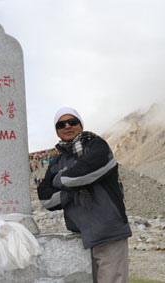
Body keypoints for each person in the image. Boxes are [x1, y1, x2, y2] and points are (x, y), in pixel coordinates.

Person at [37, 107, 132, 283]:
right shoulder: (57, 160)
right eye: (61, 124)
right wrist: (69, 195)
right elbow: (45, 198)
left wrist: (60, 179)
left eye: (72, 122)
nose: (67, 126)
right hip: (80, 236)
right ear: (57, 131)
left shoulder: (97, 146)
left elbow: (82, 175)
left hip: (108, 231)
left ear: (81, 125)